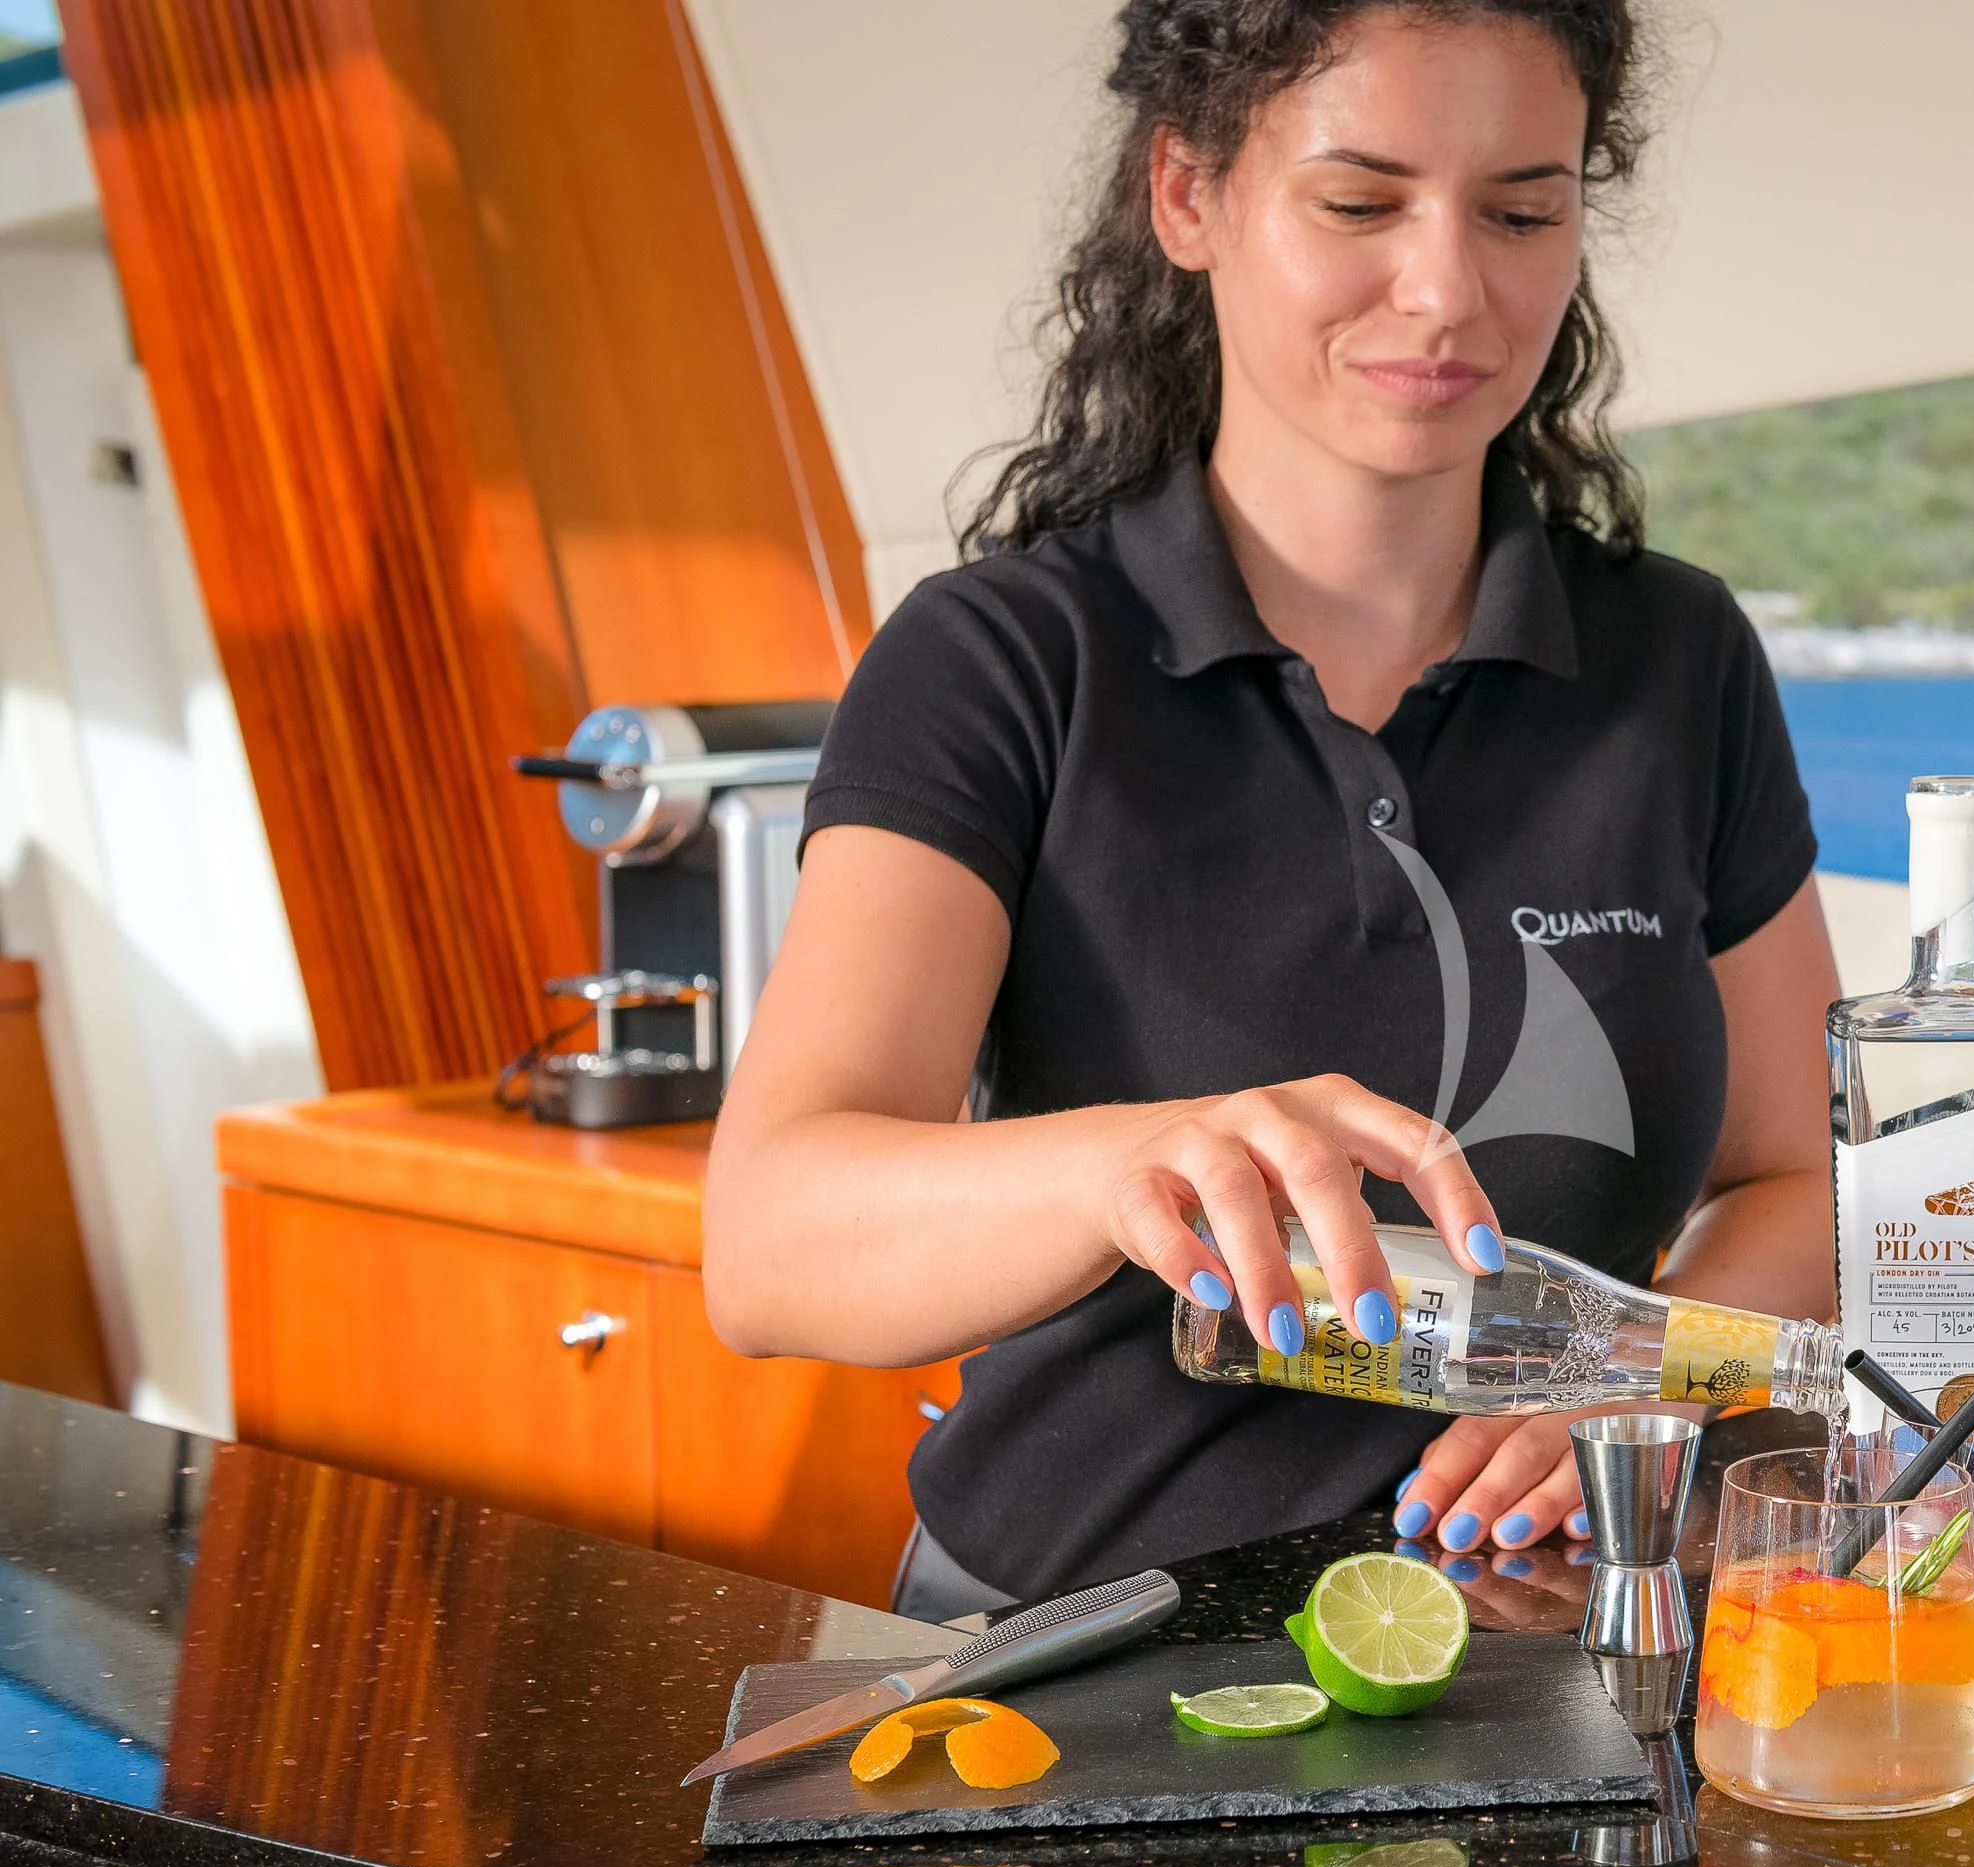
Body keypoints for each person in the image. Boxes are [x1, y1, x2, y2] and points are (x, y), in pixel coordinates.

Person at [703, 0, 1837, 1620]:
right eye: (1359, 203)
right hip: (1076, 1651)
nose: (1449, 290)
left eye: (1522, 211)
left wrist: (1656, 1379)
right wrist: (1139, 1160)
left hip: (1563, 1646)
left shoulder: (1677, 658)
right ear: (1190, 198)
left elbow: (1801, 1183)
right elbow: (768, 1243)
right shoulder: (1006, 659)